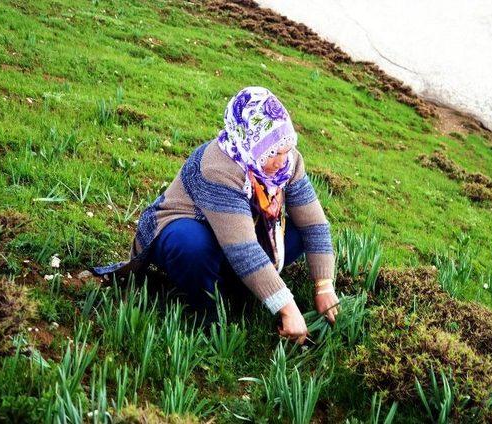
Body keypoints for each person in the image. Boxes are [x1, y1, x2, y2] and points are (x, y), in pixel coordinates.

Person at [92, 86, 338, 344]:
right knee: (191, 243)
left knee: (299, 232)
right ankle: (207, 314)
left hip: (236, 237)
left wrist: (324, 285)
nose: (281, 160)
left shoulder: (289, 163)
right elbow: (242, 248)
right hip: (187, 231)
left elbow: (314, 223)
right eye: (273, 152)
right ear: (249, 140)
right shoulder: (219, 167)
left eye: (286, 149)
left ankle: (238, 286)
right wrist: (286, 307)